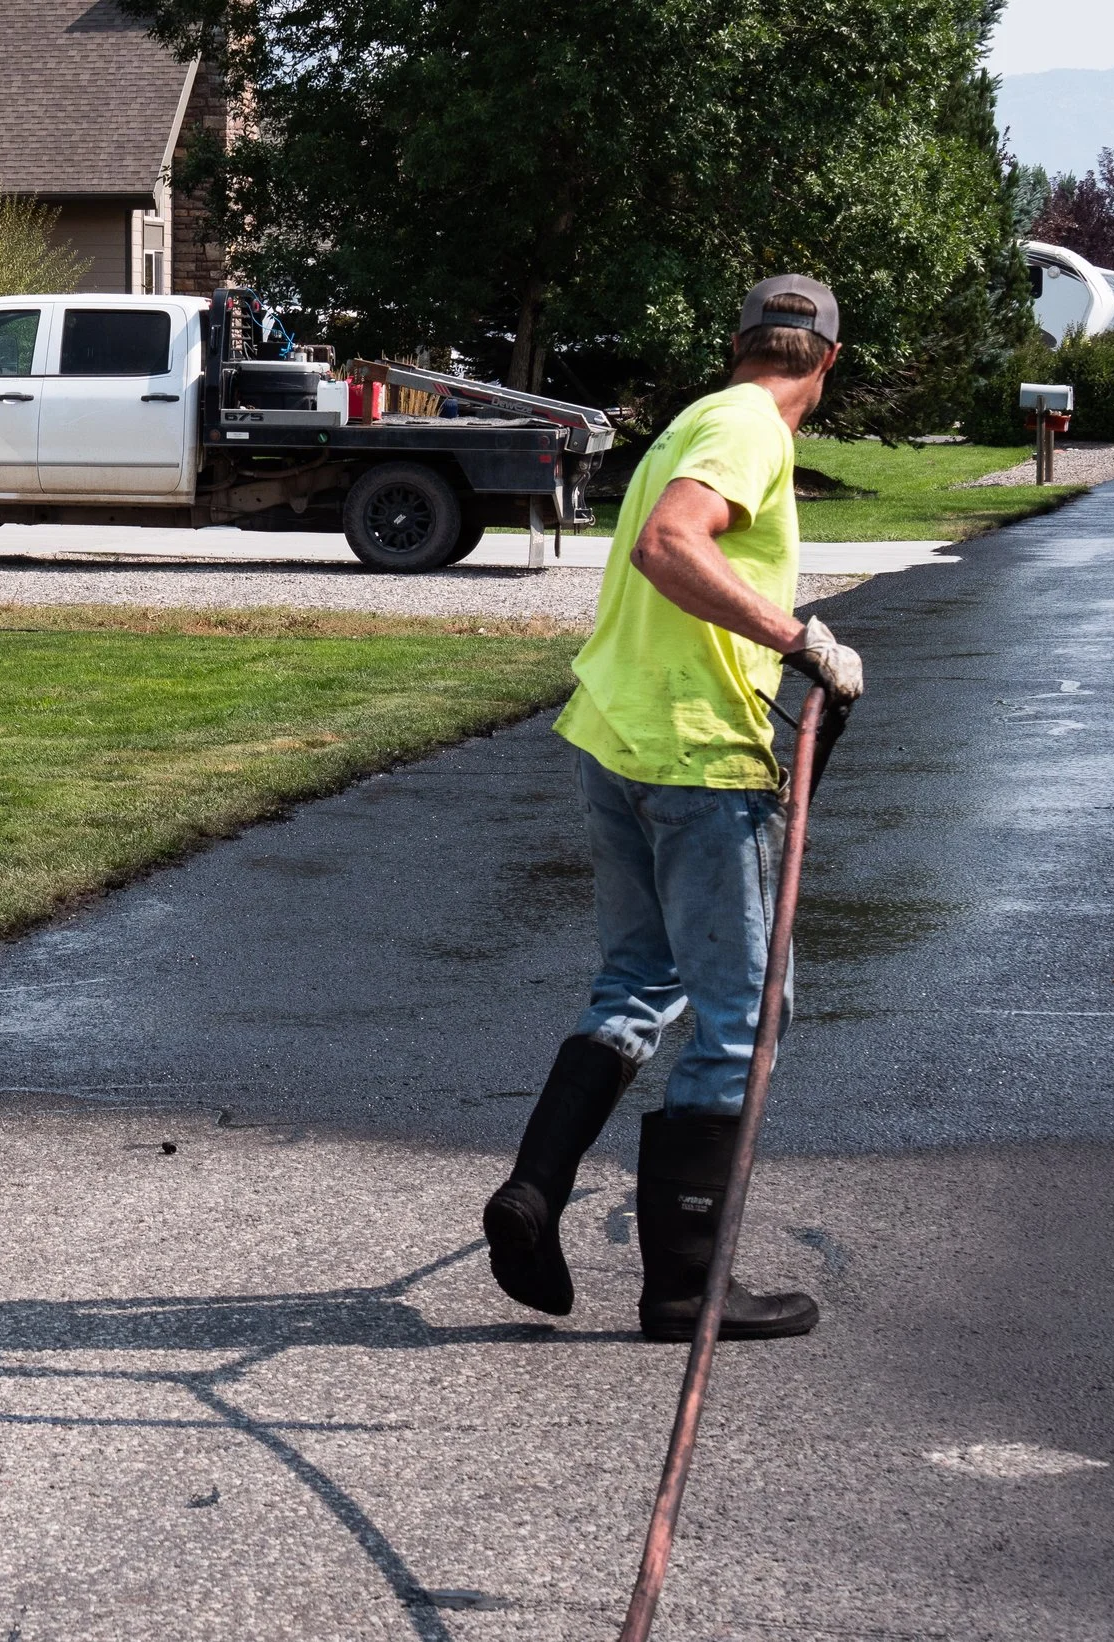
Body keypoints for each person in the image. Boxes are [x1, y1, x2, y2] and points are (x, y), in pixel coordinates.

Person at [481, 277, 866, 1341]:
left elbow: (664, 545)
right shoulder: (749, 426)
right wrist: (800, 642)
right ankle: (686, 1286)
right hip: (696, 760)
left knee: (639, 978)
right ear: (826, 362)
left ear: (738, 340)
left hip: (619, 739)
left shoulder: (699, 415)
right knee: (745, 1020)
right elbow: (669, 543)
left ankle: (533, 1191)